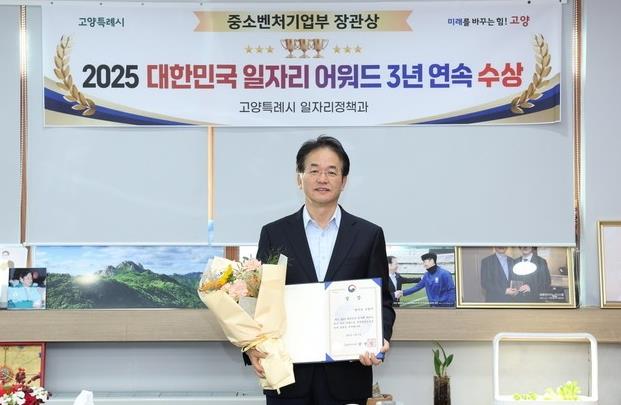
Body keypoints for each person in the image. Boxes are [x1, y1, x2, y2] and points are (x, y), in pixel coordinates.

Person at [247, 135, 396, 405]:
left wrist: (379, 339)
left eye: (331, 171)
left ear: (344, 180)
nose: (322, 179)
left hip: (347, 377)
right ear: (299, 178)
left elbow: (383, 302)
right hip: (287, 377)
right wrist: (252, 348)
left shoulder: (369, 235)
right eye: (314, 170)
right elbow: (260, 301)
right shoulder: (273, 234)